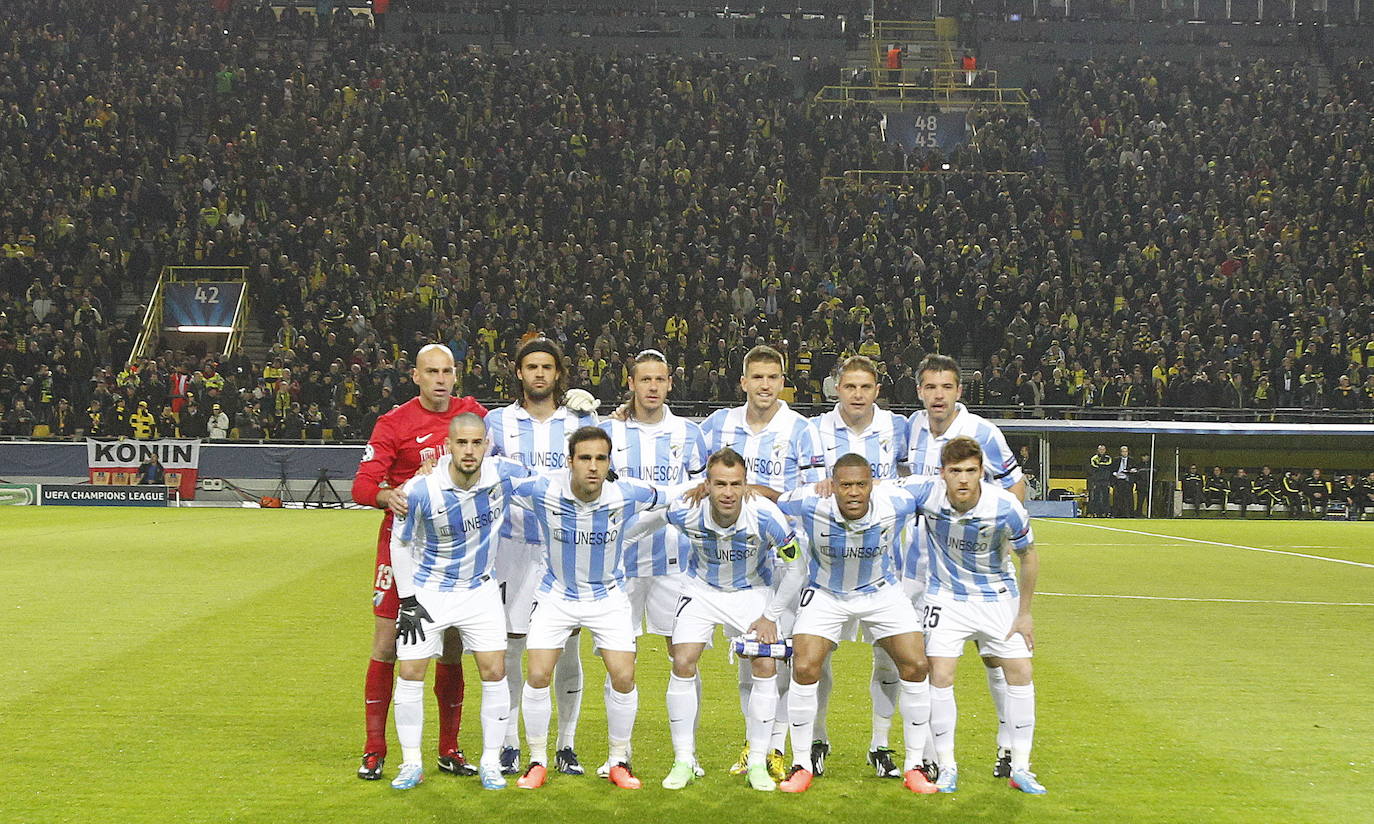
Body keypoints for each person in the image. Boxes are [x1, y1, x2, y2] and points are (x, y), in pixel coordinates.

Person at [507, 426, 672, 791]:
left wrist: (705, 490)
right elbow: (496, 479)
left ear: (609, 462)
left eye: (601, 458)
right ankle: (537, 760)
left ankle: (618, 761)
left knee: (624, 677)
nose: (593, 467)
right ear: (570, 462)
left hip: (607, 596)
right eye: (585, 458)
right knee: (537, 675)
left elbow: (670, 495)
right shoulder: (543, 490)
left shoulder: (625, 494)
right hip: (556, 595)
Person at [351, 343, 487, 781]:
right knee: (388, 642)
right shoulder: (395, 423)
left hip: (455, 548)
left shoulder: (473, 413)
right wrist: (384, 495)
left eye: (447, 371)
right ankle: (375, 749)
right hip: (404, 546)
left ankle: (449, 748)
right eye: (432, 371)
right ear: (416, 375)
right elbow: (362, 485)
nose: (441, 379)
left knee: (452, 646)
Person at [772, 454, 940, 796]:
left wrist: (888, 483)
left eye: (861, 484)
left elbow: (936, 485)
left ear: (871, 485)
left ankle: (914, 765)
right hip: (826, 593)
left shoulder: (895, 501)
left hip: (882, 592)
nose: (853, 493)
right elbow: (772, 497)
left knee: (916, 664)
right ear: (833, 486)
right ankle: (801, 763)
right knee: (803, 667)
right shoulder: (809, 502)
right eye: (845, 485)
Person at [700, 344, 826, 777]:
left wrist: (769, 496)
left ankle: (777, 748)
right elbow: (699, 482)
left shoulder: (802, 429)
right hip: (737, 562)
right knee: (749, 656)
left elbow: (815, 492)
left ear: (783, 382)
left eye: (773, 377)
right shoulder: (718, 425)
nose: (765, 385)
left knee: (781, 657)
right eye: (757, 377)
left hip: (785, 557)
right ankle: (754, 747)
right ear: (744, 382)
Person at [385, 414, 529, 791]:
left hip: (479, 591)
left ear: (486, 445)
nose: (469, 450)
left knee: (494, 671)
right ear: (449, 445)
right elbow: (398, 543)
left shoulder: (504, 474)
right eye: (461, 443)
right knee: (411, 672)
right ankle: (411, 763)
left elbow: (552, 477)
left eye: (476, 443)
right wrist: (408, 600)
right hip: (429, 592)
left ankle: (490, 762)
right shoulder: (420, 489)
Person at [640, 448, 798, 791]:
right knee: (682, 661)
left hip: (752, 591)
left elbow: (797, 568)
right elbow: (648, 523)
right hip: (701, 590)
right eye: (720, 484)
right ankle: (684, 759)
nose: (728, 492)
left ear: (746, 485)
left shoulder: (766, 516)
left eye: (735, 484)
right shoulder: (687, 509)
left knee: (765, 665)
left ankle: (757, 761)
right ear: (707, 485)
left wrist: (770, 616)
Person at [902, 354, 1025, 779]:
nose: (938, 395)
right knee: (924, 665)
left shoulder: (982, 433)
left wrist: (1002, 541)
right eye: (930, 387)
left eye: (946, 387)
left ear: (959, 391)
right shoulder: (911, 428)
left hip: (982, 575)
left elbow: (1015, 485)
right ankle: (936, 757)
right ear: (919, 390)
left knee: (996, 660)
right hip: (921, 570)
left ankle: (1008, 747)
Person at [902, 436, 1045, 795]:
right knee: (941, 675)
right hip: (945, 597)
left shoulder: (1005, 506)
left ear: (982, 471)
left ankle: (1022, 767)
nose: (963, 479)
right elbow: (877, 488)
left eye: (970, 471)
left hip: (997, 596)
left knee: (1020, 671)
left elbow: (1028, 556)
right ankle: (947, 766)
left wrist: (1024, 613)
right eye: (955, 472)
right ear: (942, 473)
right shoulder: (925, 493)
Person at [485, 337, 600, 776]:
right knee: (513, 648)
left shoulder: (576, 420)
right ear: (518, 372)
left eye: (546, 367)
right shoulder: (497, 423)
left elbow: (604, 463)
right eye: (531, 367)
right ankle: (512, 742)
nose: (538, 374)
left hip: (562, 549)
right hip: (512, 549)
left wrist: (598, 415)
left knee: (566, 650)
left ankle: (566, 746)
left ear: (558, 374)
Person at [598, 349, 706, 778]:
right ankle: (617, 754)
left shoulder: (688, 433)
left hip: (675, 562)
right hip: (620, 563)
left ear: (670, 383)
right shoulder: (611, 432)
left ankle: (688, 753)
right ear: (631, 382)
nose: (653, 387)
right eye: (645, 379)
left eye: (660, 379)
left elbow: (699, 490)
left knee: (684, 658)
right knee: (620, 658)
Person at [807, 355, 910, 776]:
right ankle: (817, 739)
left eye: (865, 387)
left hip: (884, 562)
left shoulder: (897, 428)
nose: (857, 395)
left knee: (889, 658)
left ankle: (880, 744)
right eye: (850, 387)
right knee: (817, 654)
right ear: (837, 388)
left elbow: (913, 475)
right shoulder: (813, 430)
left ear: (877, 391)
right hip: (825, 562)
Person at [1110, 446, 1137, 517]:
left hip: (1127, 481)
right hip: (1118, 481)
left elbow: (1135, 469)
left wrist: (1131, 471)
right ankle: (1116, 514)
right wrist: (1115, 474)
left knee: (1128, 498)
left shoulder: (1132, 460)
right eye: (1123, 451)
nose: (1124, 453)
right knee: (1117, 498)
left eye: (1126, 451)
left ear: (1128, 452)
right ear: (1120, 452)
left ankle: (1129, 514)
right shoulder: (1116, 460)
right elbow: (1112, 470)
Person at [1087, 444, 1113, 517]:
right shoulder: (1094, 458)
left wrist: (1100, 466)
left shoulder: (1108, 458)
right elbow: (1094, 467)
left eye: (1103, 449)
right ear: (1098, 450)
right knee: (1096, 497)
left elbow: (1108, 466)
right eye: (1100, 449)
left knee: (1106, 497)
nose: (1102, 451)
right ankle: (1095, 512)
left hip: (1105, 480)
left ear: (1105, 450)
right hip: (1097, 481)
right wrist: (1102, 466)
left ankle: (1106, 512)